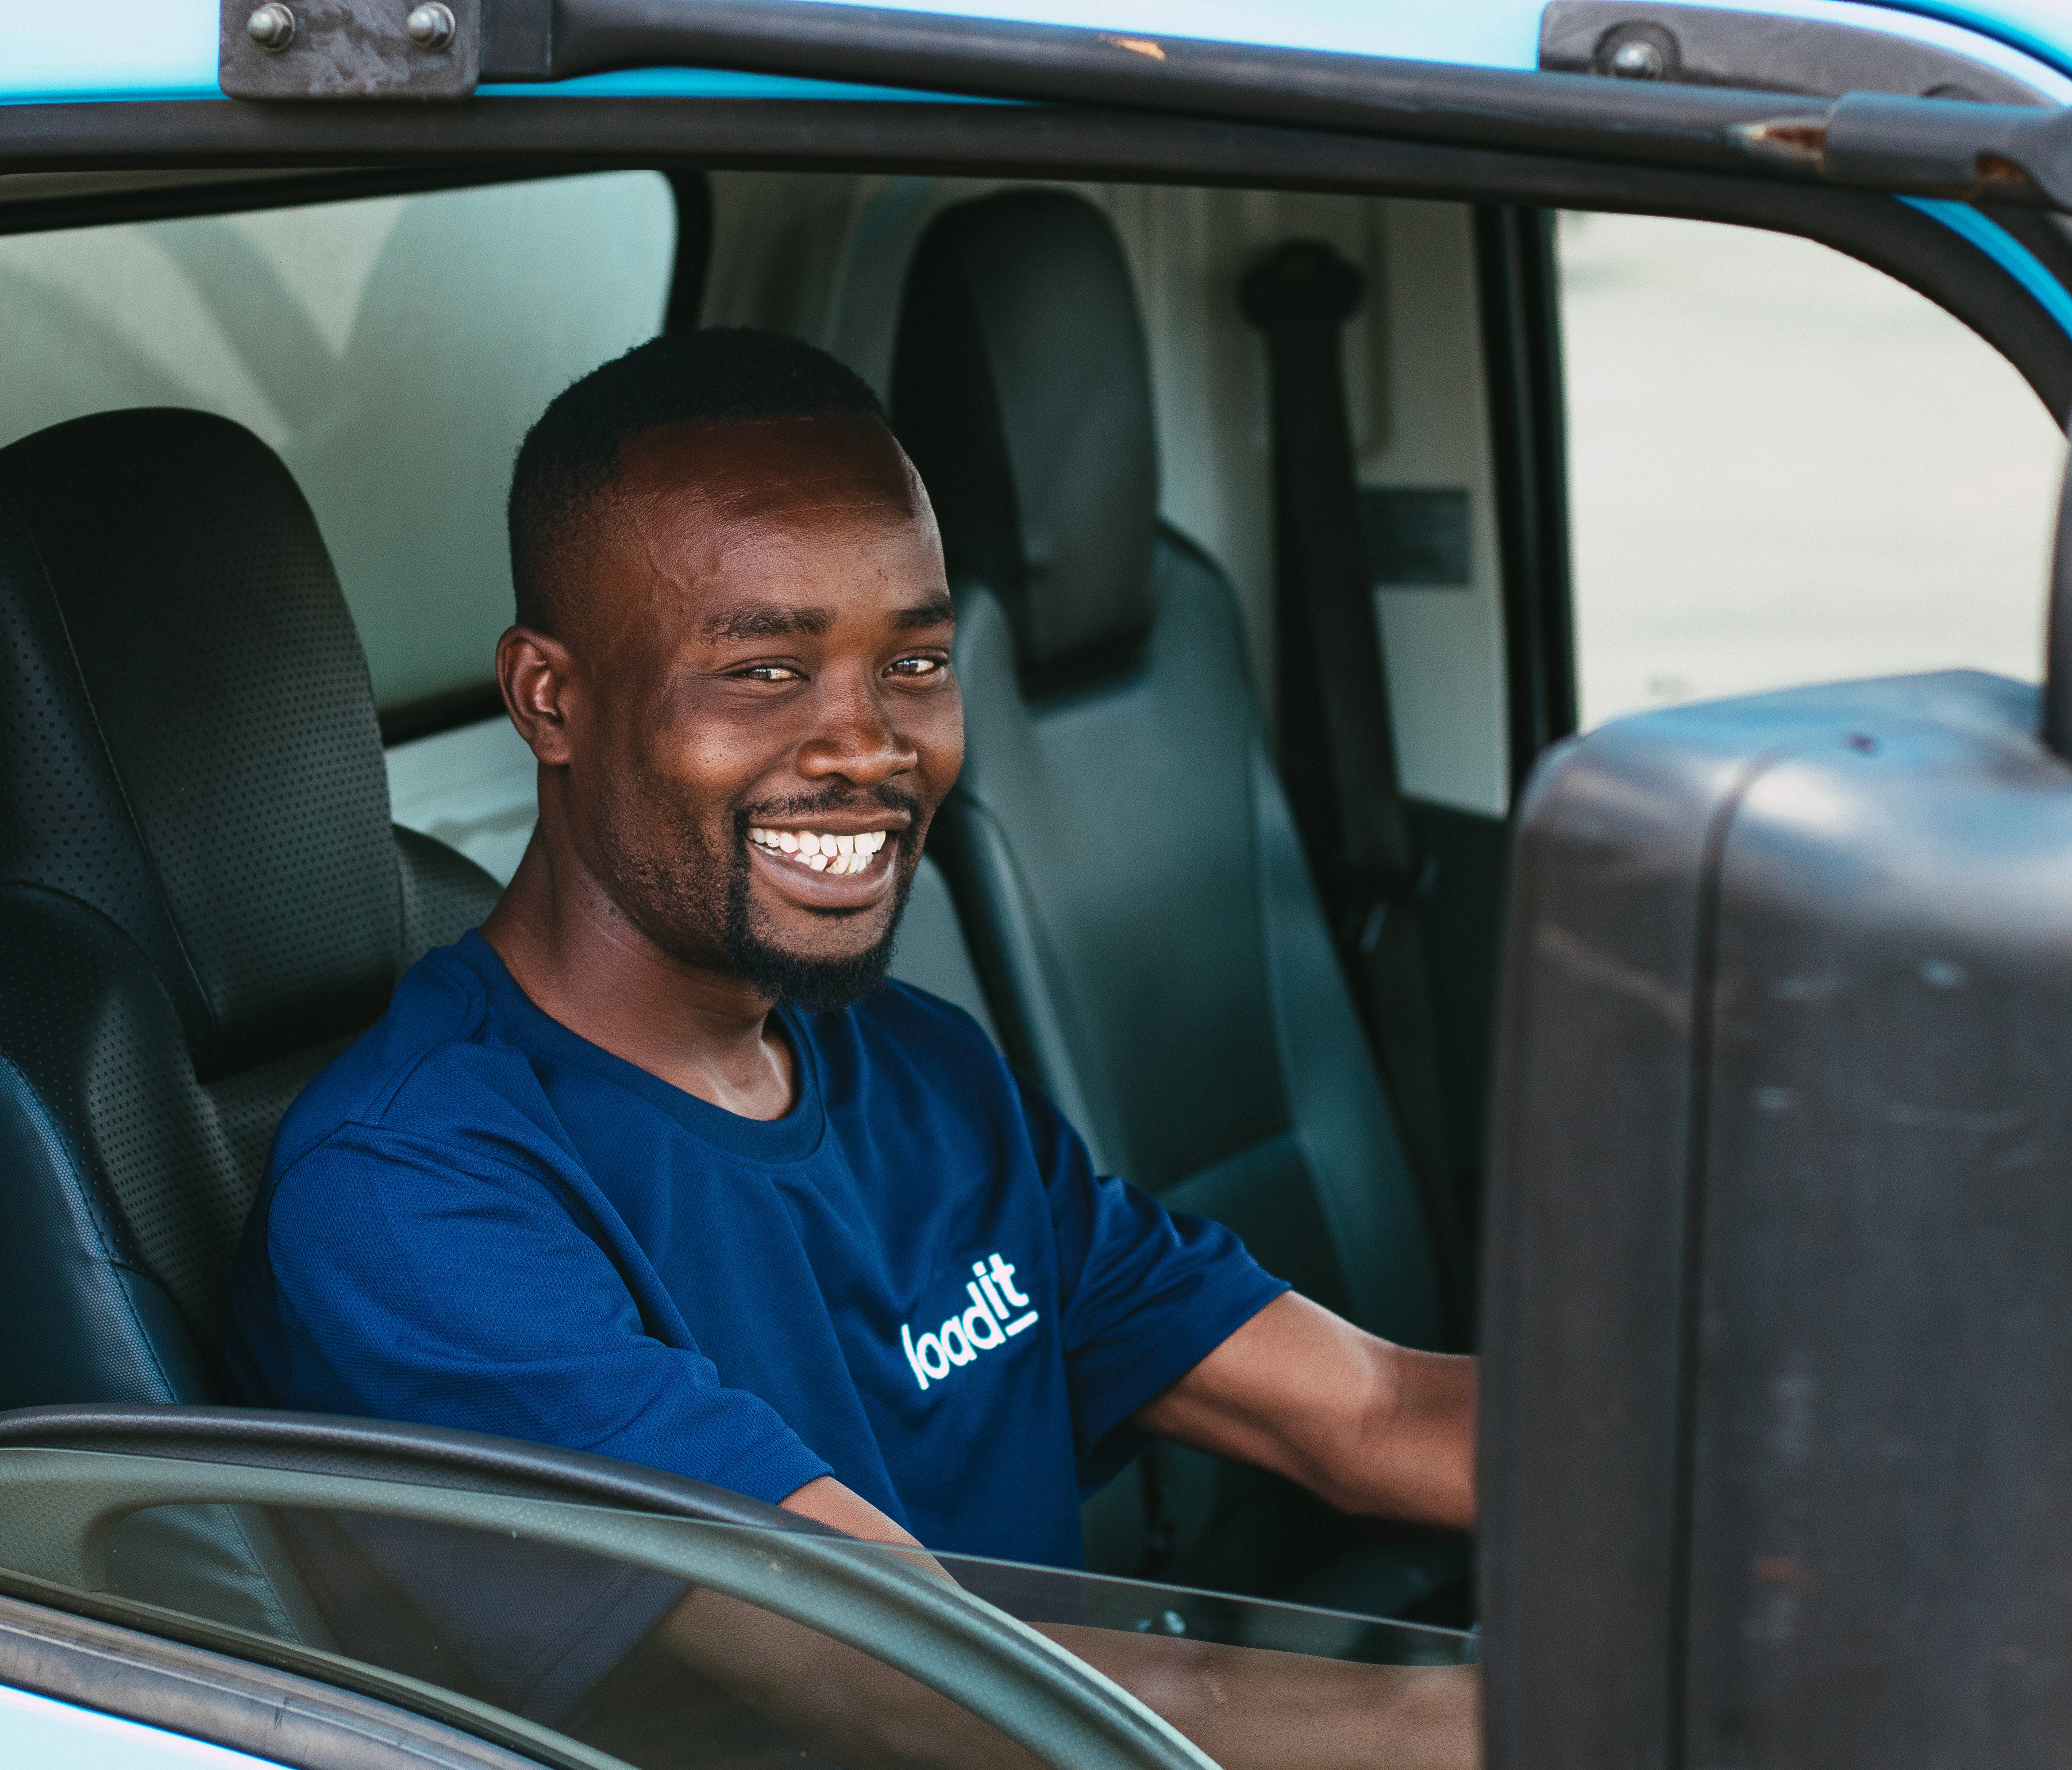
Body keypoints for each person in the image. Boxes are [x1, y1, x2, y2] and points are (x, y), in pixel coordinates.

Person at [222, 328, 1476, 1768]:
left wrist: (1748, 1479)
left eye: (919, 660)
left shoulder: (919, 1070)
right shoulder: (415, 1196)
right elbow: (924, 1682)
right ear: (549, 700)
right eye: (766, 671)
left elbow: (1368, 1410)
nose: (872, 746)